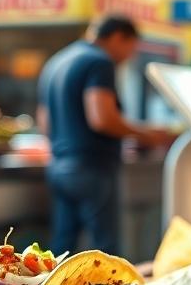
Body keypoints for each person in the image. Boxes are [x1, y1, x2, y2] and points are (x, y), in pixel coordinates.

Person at [37, 17, 169, 256]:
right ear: (119, 37)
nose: (130, 56)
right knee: (105, 249)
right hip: (92, 169)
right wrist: (146, 135)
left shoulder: (57, 62)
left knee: (61, 249)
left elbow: (44, 121)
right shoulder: (99, 62)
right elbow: (102, 118)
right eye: (131, 48)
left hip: (58, 165)